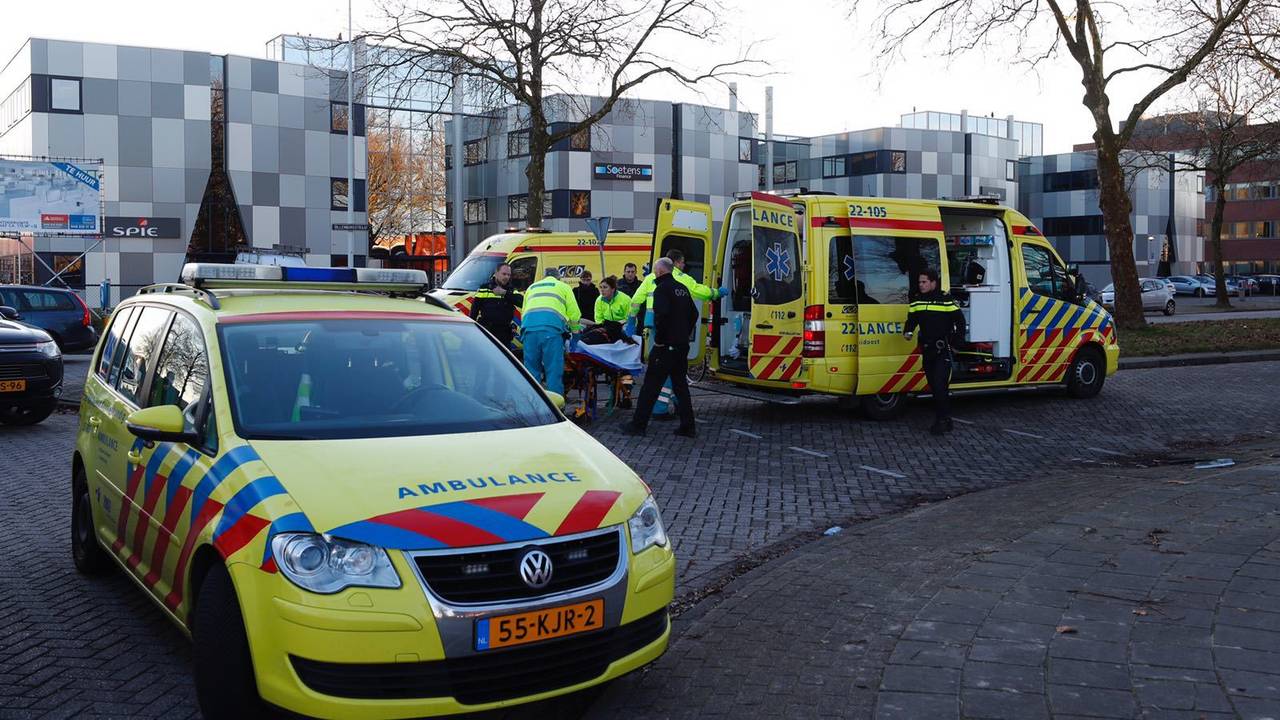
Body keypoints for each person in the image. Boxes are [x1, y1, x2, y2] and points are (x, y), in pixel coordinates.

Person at [625, 258, 699, 437]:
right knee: (681, 387)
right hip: (681, 346)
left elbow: (662, 316)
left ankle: (638, 425)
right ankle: (688, 426)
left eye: (655, 270)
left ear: (659, 271)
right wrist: (684, 333)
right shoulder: (682, 288)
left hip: (665, 347)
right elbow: (694, 314)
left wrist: (659, 340)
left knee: (650, 386)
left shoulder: (661, 289)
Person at [903, 268, 966, 435]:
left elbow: (960, 321)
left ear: (933, 282)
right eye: (919, 282)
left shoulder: (945, 300)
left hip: (942, 350)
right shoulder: (917, 301)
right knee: (934, 386)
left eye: (924, 282)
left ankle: (941, 420)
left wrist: (957, 344)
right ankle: (946, 419)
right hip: (927, 350)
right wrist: (908, 331)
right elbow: (912, 319)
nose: (921, 285)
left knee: (939, 385)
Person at [520, 268, 581, 395]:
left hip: (529, 330)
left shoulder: (531, 287)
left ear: (544, 277)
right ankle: (556, 402)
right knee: (553, 369)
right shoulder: (563, 287)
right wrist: (575, 335)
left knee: (531, 371)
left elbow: (524, 311)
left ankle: (534, 402)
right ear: (558, 277)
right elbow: (574, 314)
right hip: (551, 330)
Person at [469, 262, 523, 349]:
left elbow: (521, 302)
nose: (506, 277)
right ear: (496, 273)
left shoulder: (511, 290)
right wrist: (471, 328)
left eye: (509, 275)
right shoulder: (485, 288)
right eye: (504, 274)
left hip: (504, 334)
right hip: (487, 332)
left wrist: (505, 293)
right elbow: (474, 310)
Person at [592, 276, 634, 343]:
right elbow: (598, 318)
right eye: (600, 287)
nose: (602, 290)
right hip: (607, 326)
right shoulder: (599, 300)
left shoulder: (625, 299)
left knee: (625, 331)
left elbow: (630, 318)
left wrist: (616, 325)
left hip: (622, 325)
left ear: (613, 289)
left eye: (605, 287)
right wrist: (603, 328)